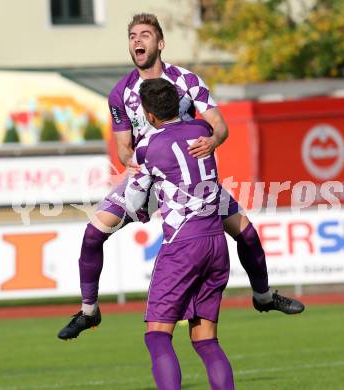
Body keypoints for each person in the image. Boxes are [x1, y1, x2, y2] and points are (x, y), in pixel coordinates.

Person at [57, 13, 304, 340]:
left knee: (245, 233)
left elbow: (220, 126)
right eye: (132, 36)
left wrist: (213, 140)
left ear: (160, 43)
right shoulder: (120, 93)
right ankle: (89, 311)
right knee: (92, 234)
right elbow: (122, 147)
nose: (137, 41)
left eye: (145, 35)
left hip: (189, 183)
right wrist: (138, 164)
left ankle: (263, 296)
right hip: (146, 180)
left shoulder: (187, 80)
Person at [127, 77, 235, 390]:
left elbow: (134, 201)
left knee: (158, 336)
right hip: (216, 241)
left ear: (148, 115)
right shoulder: (201, 130)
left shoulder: (148, 145)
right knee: (206, 340)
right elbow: (216, 130)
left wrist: (143, 212)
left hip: (183, 244)